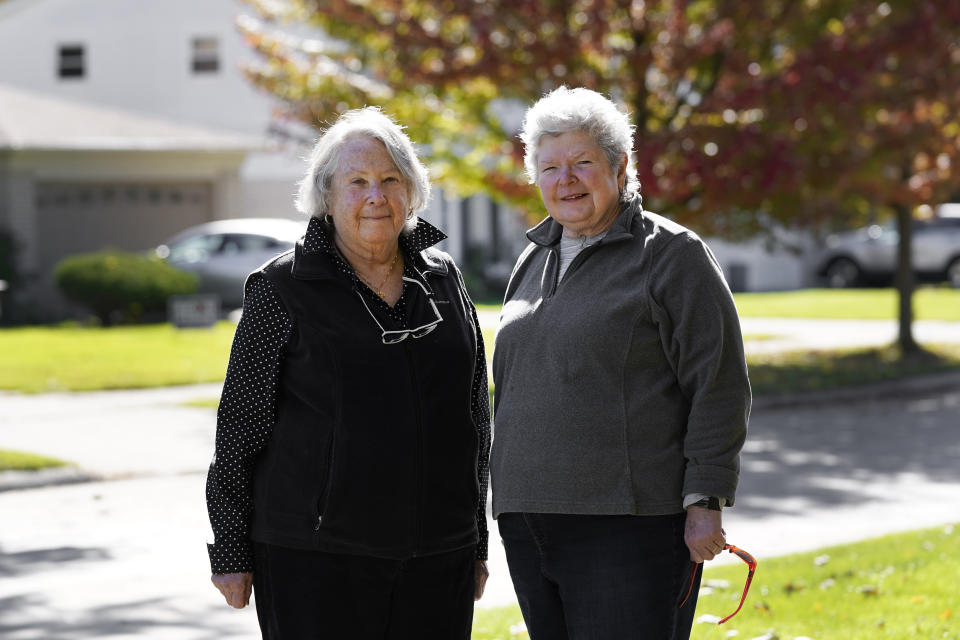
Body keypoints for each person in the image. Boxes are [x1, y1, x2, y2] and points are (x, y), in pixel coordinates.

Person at [205, 106, 491, 639]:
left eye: (389, 179)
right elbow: (238, 429)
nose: (375, 197)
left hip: (438, 553)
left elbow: (474, 416)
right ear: (327, 196)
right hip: (313, 556)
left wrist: (475, 539)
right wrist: (231, 547)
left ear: (411, 191)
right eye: (356, 182)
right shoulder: (281, 288)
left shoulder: (445, 279)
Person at [491, 87, 751, 639]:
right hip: (527, 520)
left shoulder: (671, 255)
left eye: (583, 163)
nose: (567, 179)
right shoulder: (531, 260)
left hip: (627, 527)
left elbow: (719, 383)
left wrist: (706, 499)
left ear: (619, 165)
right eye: (550, 167)